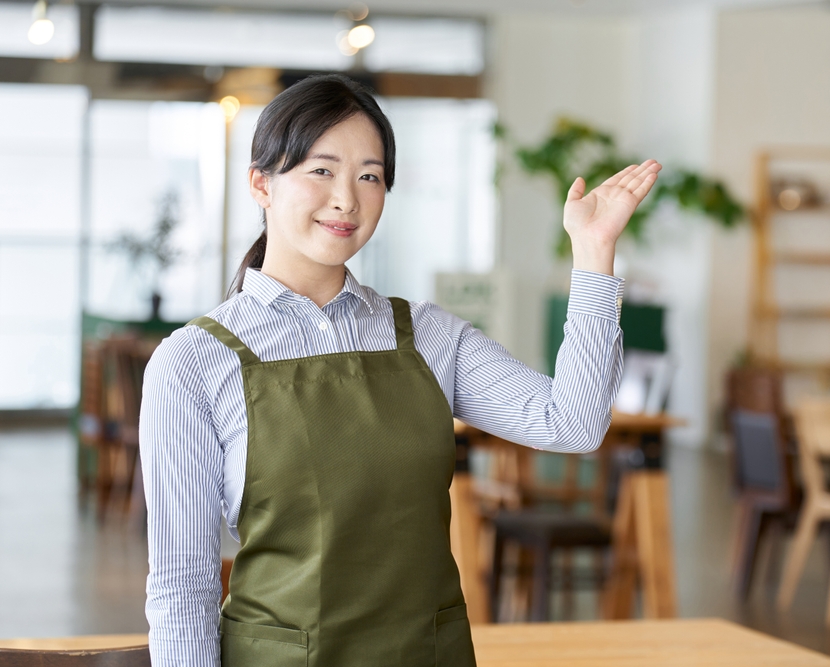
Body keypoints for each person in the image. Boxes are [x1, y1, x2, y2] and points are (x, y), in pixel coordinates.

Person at [139, 73, 661, 667]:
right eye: (321, 170)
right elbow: (184, 585)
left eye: (370, 176)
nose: (347, 199)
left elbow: (573, 424)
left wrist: (594, 255)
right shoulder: (192, 363)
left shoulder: (430, 336)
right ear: (261, 183)